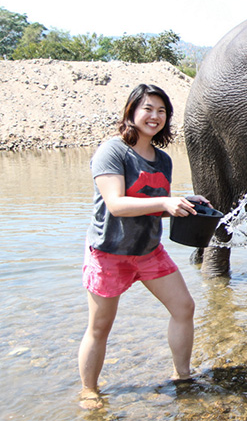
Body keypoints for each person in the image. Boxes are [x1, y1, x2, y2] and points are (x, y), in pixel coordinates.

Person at [78, 84, 208, 410]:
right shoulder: (113, 151)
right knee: (100, 327)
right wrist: (166, 201)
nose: (154, 116)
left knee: (184, 308)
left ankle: (182, 375)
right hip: (109, 253)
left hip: (149, 250)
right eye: (148, 109)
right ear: (132, 112)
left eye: (161, 111)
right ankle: (88, 390)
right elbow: (116, 204)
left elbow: (153, 200)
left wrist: (185, 201)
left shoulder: (162, 159)